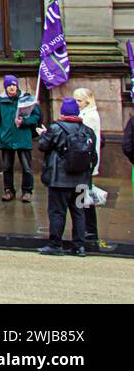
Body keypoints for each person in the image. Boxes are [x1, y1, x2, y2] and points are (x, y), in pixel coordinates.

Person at [37, 97, 97, 256]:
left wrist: (43, 134)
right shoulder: (87, 131)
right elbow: (93, 156)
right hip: (82, 181)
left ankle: (55, 245)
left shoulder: (55, 128)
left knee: (57, 212)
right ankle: (79, 246)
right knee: (79, 212)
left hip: (60, 181)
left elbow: (42, 146)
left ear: (63, 111)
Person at [0, 75, 39, 203]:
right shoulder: (1, 100)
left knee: (27, 167)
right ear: (5, 87)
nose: (11, 87)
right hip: (6, 138)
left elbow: (36, 116)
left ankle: (27, 191)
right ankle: (8, 190)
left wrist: (25, 121)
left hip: (23, 137)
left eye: (14, 85)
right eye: (9, 85)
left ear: (17, 86)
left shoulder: (26, 98)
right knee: (7, 167)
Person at [72, 87, 108, 251]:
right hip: (85, 161)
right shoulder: (86, 113)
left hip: (86, 162)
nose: (77, 104)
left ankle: (90, 228)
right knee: (84, 194)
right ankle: (88, 227)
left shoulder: (90, 116)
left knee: (84, 195)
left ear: (87, 100)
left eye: (79, 100)